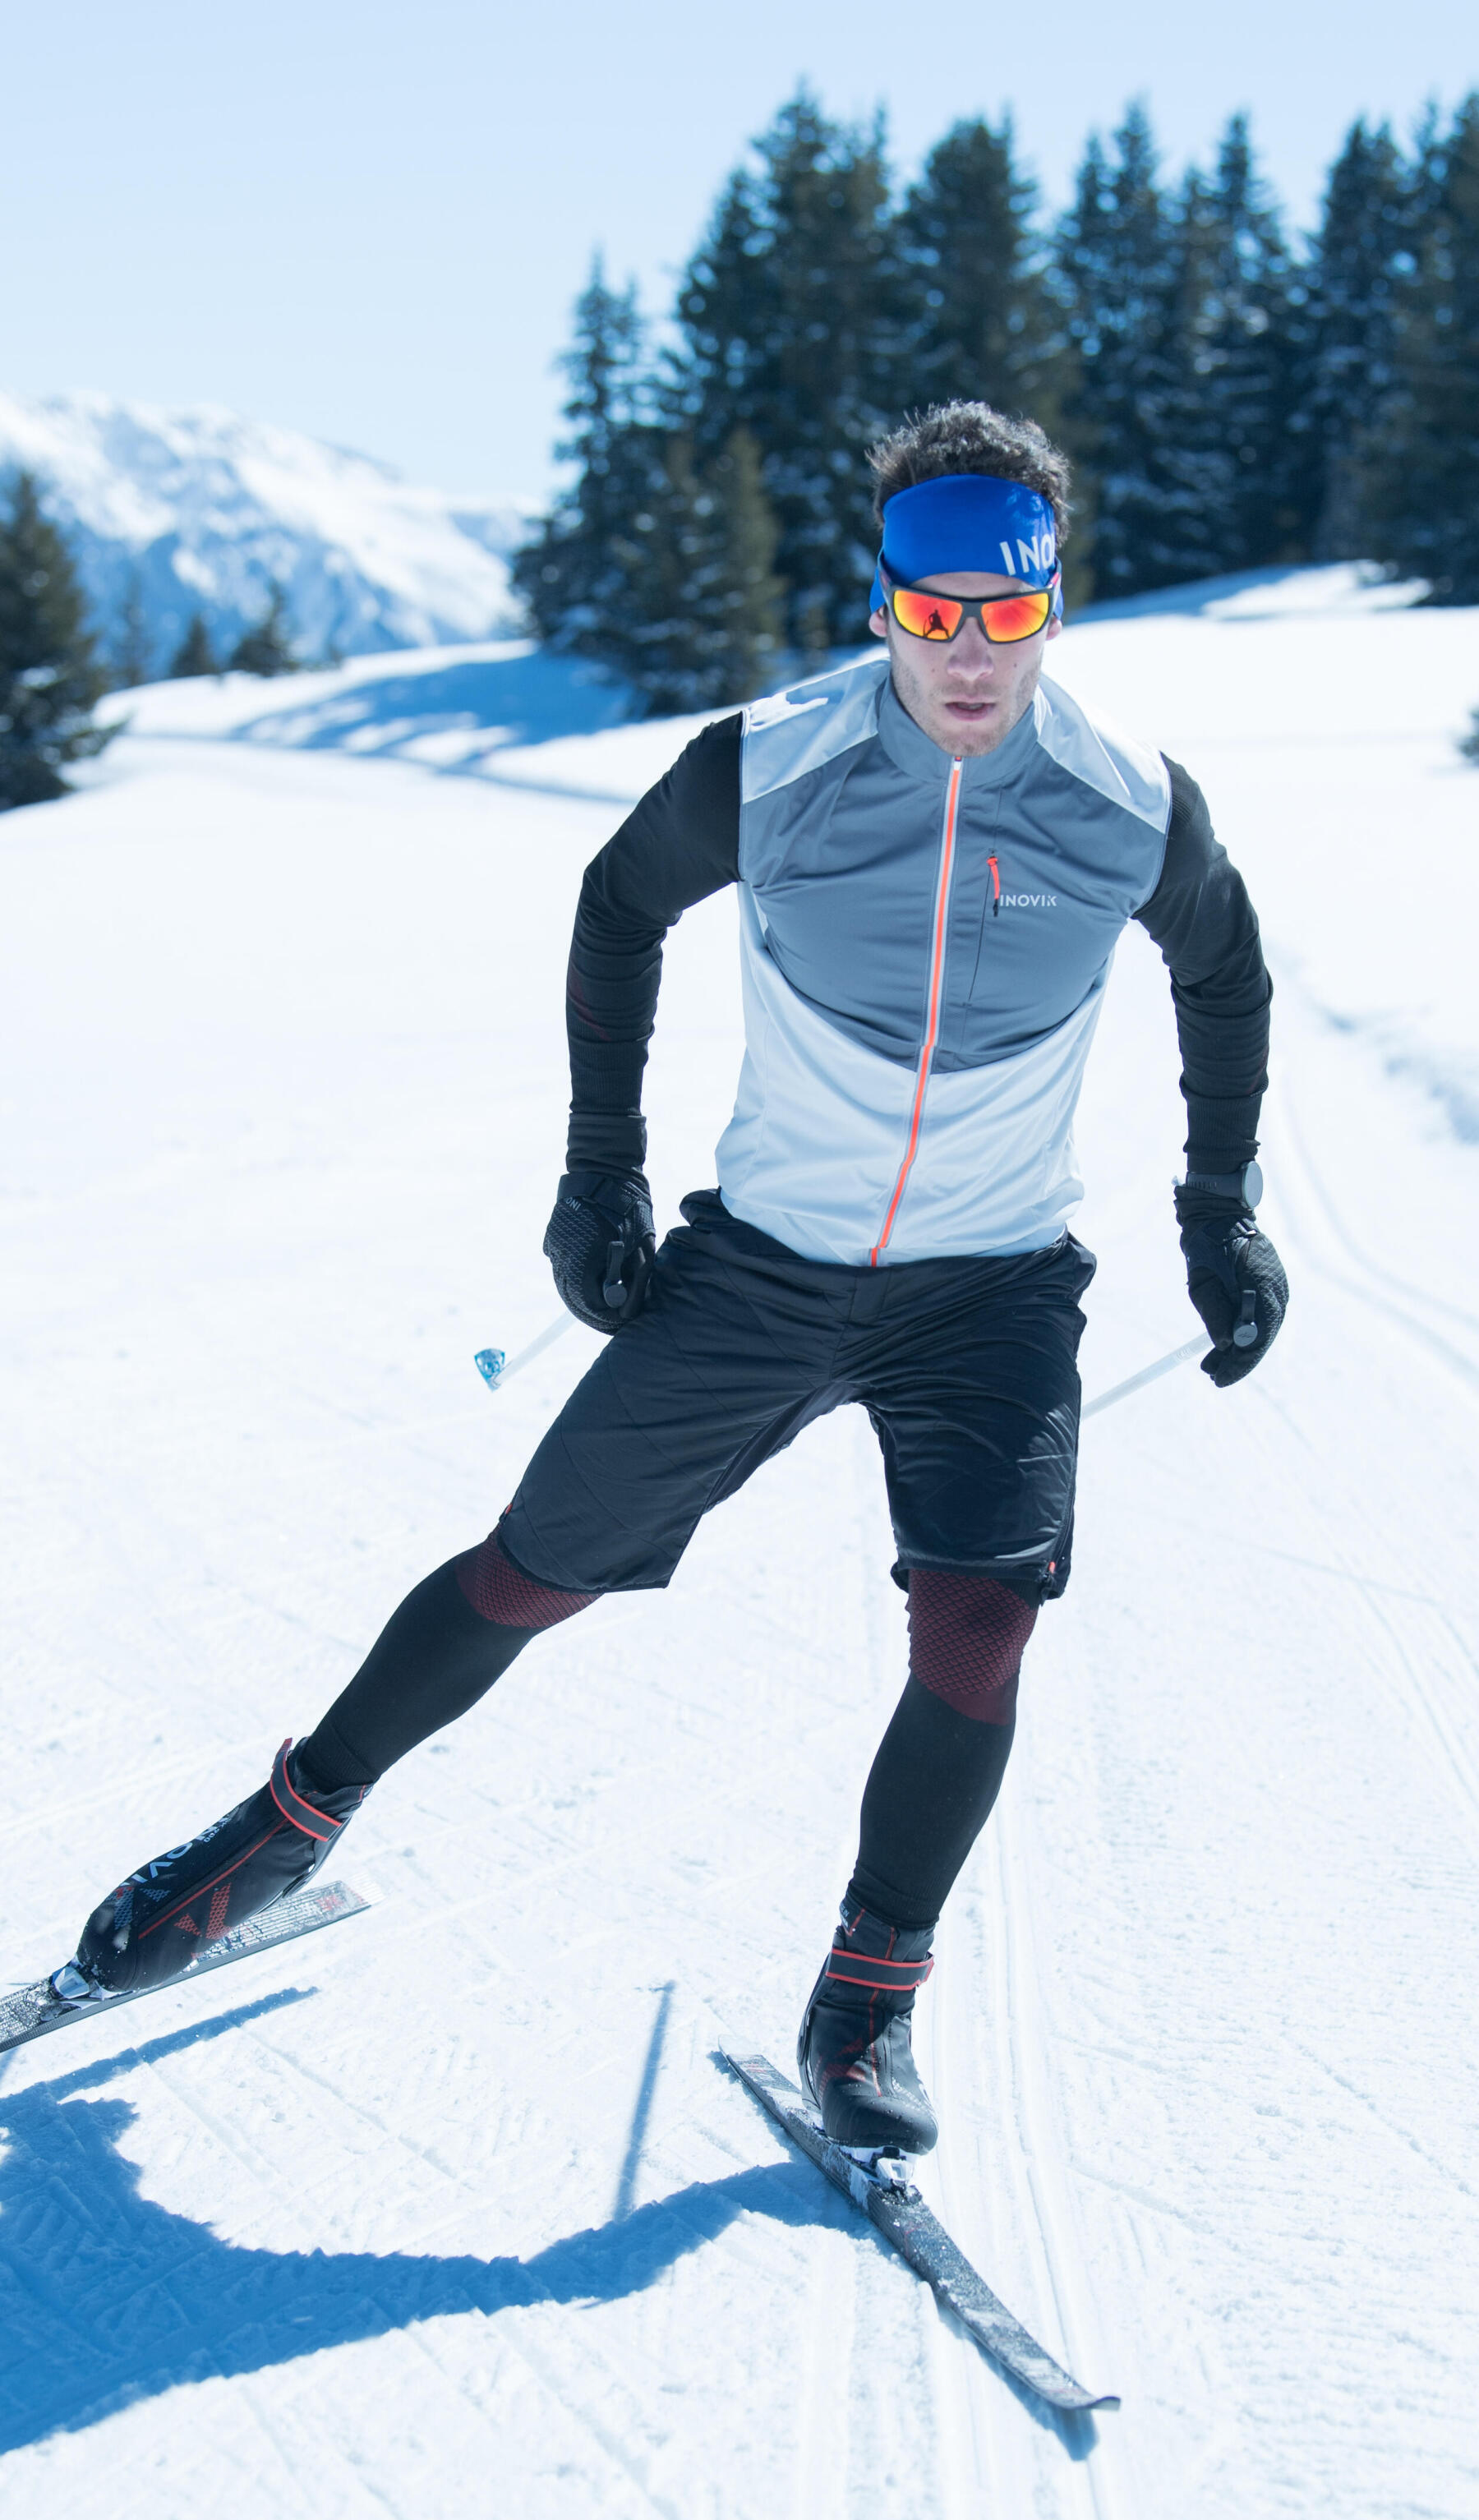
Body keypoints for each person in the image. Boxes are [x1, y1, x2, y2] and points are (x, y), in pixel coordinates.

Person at [57, 402, 1287, 2163]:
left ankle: (868, 1998)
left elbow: (1228, 974)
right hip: (766, 1272)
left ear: (1051, 611)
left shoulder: (1127, 804)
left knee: (985, 1618)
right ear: (881, 607)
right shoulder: (766, 765)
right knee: (533, 1571)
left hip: (994, 1290)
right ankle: (277, 1832)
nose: (964, 649)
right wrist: (599, 1168)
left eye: (1002, 613)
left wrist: (1220, 1205)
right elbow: (616, 905)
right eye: (928, 609)